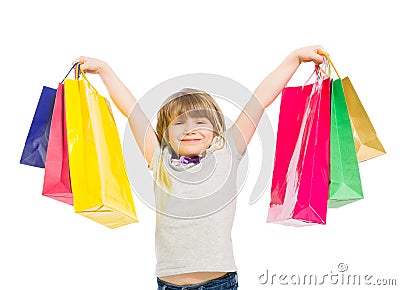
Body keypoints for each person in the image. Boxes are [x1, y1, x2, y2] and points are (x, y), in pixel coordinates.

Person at [73, 45, 327, 289]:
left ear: (215, 129)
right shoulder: (159, 158)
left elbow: (259, 100)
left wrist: (293, 59)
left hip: (219, 283)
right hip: (168, 284)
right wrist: (105, 70)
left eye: (199, 121)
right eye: (179, 123)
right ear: (166, 133)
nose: (190, 128)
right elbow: (132, 110)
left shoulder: (228, 151)